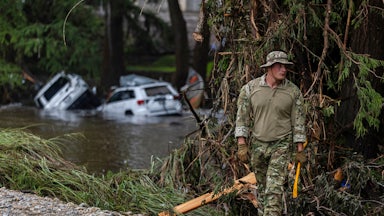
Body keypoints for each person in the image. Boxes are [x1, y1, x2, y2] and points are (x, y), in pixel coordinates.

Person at [235, 51, 307, 215]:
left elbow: (299, 122)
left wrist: (300, 150)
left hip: (281, 144)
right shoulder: (250, 89)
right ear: (269, 68)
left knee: (274, 190)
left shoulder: (293, 92)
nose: (283, 70)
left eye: (285, 67)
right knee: (264, 188)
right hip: (258, 145)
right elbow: (242, 118)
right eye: (279, 66)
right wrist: (242, 145)